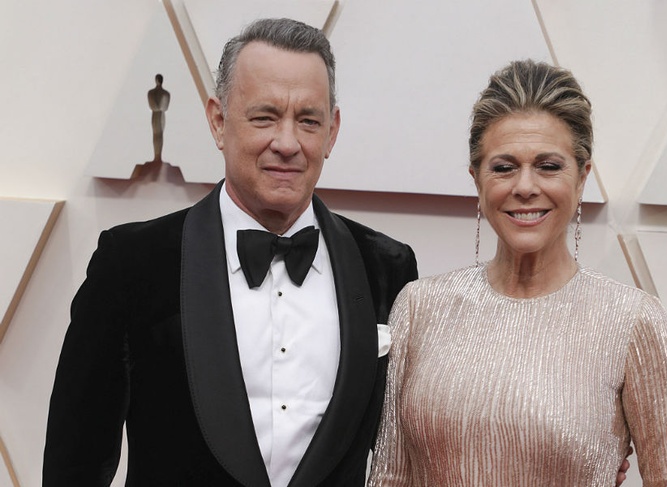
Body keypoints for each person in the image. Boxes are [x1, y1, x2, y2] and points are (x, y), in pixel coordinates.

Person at [43, 18, 417, 486]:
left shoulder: (387, 267)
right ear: (219, 121)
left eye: (308, 120)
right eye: (264, 117)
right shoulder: (131, 263)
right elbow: (74, 464)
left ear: (332, 131)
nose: (287, 143)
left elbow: (401, 457)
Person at [368, 60, 667, 485]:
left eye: (548, 166)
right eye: (504, 167)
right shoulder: (419, 309)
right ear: (477, 180)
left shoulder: (633, 322)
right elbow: (389, 477)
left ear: (581, 177)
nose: (525, 186)